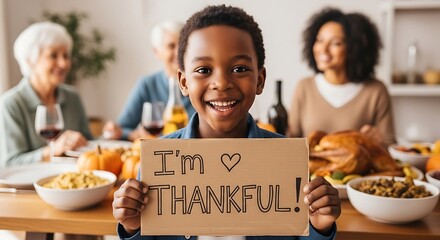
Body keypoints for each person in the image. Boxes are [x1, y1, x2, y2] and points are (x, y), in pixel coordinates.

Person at [112, 5, 340, 240]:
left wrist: (318, 227)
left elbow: (300, 231)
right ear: (183, 82)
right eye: (203, 69)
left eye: (239, 68)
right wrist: (133, 227)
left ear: (259, 80)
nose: (221, 83)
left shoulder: (287, 160)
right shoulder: (158, 164)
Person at [287, 8, 396, 146]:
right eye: (319, 40)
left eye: (335, 43)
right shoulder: (304, 87)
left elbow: (390, 146)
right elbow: (290, 140)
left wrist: (377, 141)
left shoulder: (376, 91)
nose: (323, 49)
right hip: (310, 168)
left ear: (354, 49)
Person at [0, 21, 92, 167]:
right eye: (53, 55)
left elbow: (88, 142)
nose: (63, 64)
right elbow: (10, 162)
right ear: (31, 60)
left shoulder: (73, 97)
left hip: (72, 182)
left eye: (66, 55)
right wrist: (52, 150)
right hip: (29, 187)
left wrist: (108, 136)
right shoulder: (11, 104)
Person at [103, 20, 196, 141]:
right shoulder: (147, 85)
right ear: (157, 52)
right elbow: (122, 128)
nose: (179, 52)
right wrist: (131, 134)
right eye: (171, 46)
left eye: (183, 45)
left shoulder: (200, 84)